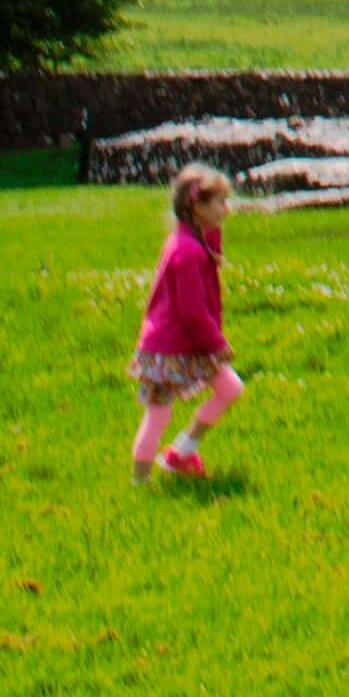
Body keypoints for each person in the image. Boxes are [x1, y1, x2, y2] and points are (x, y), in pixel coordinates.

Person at [129, 164, 244, 482]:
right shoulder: (186, 252)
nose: (227, 209)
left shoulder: (192, 243)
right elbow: (192, 310)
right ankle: (140, 480)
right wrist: (217, 345)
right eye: (220, 202)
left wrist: (214, 229)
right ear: (196, 206)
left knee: (230, 388)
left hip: (183, 342)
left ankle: (181, 453)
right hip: (170, 347)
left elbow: (213, 256)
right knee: (158, 416)